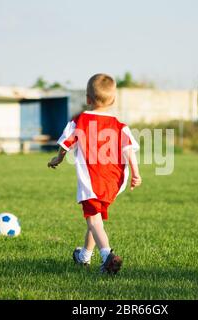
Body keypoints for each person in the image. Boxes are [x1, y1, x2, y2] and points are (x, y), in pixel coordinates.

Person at [48, 73, 142, 274]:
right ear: (113, 99)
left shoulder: (80, 121)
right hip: (113, 180)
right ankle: (83, 256)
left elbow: (66, 143)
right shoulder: (120, 126)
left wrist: (58, 158)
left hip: (92, 179)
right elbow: (128, 151)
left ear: (87, 99)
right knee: (96, 217)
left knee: (92, 219)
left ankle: (107, 255)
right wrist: (136, 173)